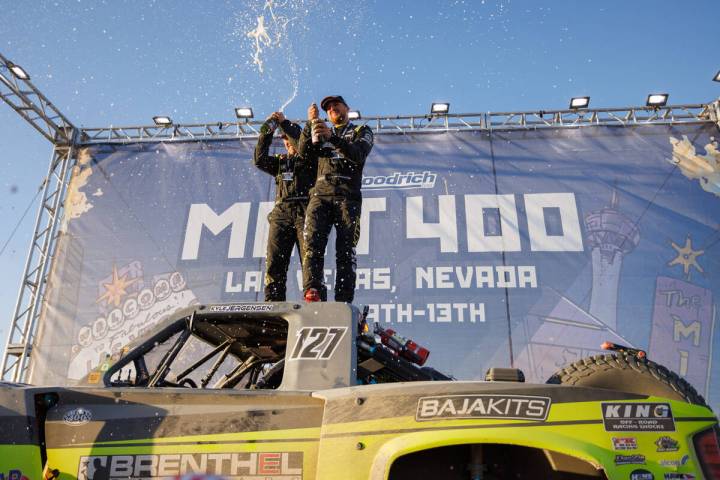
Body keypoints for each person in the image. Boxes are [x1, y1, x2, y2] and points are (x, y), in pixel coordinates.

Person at [298, 95, 374, 303]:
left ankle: (343, 301)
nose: (331, 110)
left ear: (346, 108)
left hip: (347, 195)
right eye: (328, 109)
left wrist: (332, 137)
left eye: (335, 105)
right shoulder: (319, 131)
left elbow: (358, 154)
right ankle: (313, 291)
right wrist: (309, 124)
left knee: (345, 250)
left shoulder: (361, 131)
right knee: (312, 244)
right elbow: (303, 157)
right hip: (320, 194)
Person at [254, 111, 316, 301]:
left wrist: (285, 123)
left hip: (304, 210)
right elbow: (259, 159)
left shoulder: (311, 158)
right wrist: (269, 129)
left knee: (309, 256)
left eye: (289, 138)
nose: (287, 142)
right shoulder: (281, 163)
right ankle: (273, 298)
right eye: (284, 140)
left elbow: (302, 145)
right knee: (275, 260)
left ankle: (312, 293)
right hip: (281, 213)